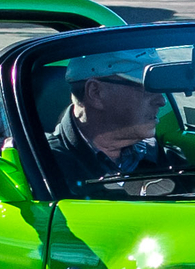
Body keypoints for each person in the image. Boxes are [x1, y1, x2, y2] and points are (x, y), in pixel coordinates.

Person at [48, 51, 186, 188]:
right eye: (147, 88)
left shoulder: (166, 159)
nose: (162, 101)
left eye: (160, 89)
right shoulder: (46, 166)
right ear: (95, 92)